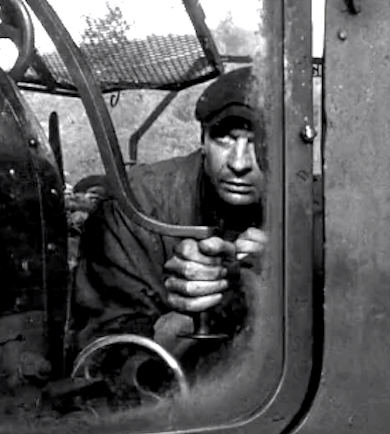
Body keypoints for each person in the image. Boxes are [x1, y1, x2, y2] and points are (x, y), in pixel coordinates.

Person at [68, 66, 268, 364]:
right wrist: (187, 315)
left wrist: (273, 279)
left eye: (258, 142)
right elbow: (105, 354)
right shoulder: (137, 206)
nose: (239, 163)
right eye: (224, 138)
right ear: (203, 141)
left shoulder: (313, 211)